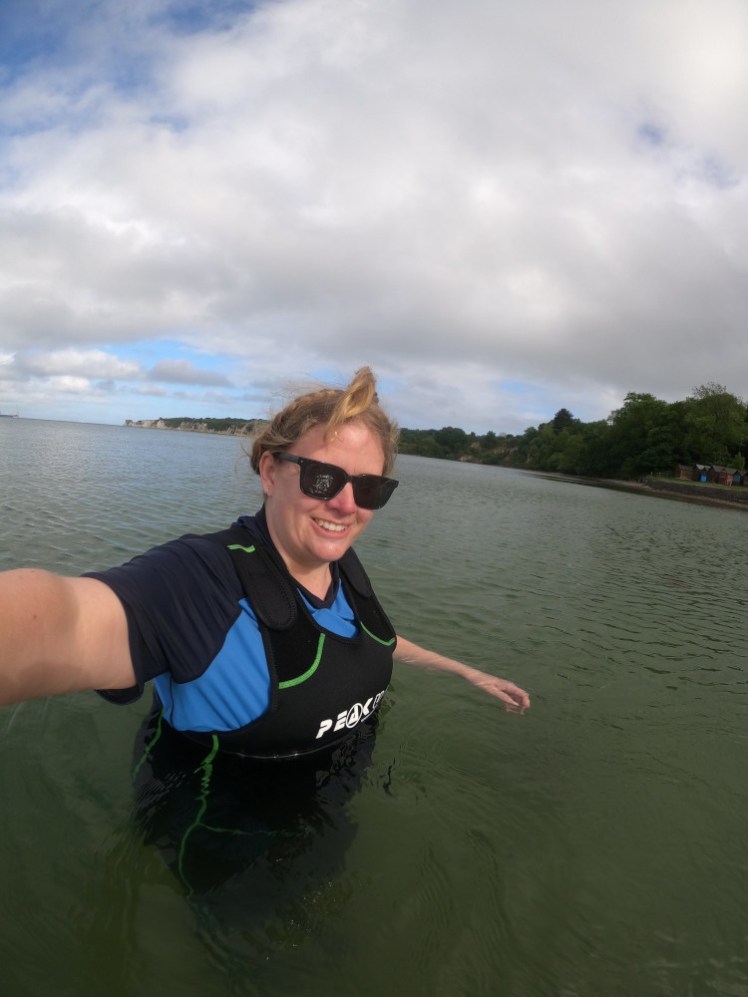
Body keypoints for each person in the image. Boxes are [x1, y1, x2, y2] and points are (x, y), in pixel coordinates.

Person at [1, 367, 530, 903]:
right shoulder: (202, 582)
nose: (347, 505)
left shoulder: (339, 566)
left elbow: (370, 637)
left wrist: (467, 671)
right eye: (323, 478)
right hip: (220, 833)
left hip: (325, 805)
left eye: (369, 488)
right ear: (272, 472)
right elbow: (60, 618)